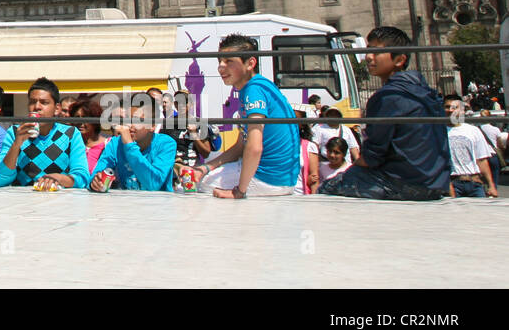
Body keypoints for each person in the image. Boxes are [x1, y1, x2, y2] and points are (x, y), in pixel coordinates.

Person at [318, 27, 449, 201]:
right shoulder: (425, 92)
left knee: (328, 187)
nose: (369, 57)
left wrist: (354, 167)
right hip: (435, 183)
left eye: (376, 51)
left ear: (399, 59)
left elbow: (372, 156)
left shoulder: (389, 97)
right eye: (369, 50)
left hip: (404, 184)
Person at [193, 34, 299, 198]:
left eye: (229, 61)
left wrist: (239, 191)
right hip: (280, 179)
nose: (221, 67)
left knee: (197, 184)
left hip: (268, 180)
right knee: (201, 173)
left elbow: (255, 147)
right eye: (219, 61)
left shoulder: (254, 90)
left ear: (250, 63)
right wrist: (206, 167)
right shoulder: (257, 86)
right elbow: (240, 146)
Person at [0, 78, 91, 190]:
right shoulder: (15, 132)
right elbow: (0, 179)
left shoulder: (71, 134)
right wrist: (16, 145)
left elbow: (82, 177)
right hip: (22, 203)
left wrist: (58, 179)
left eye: (44, 102)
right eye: (32, 102)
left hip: (61, 202)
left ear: (56, 108)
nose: (37, 107)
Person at [89, 100, 176, 191]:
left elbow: (153, 184)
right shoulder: (115, 143)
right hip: (126, 203)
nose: (130, 125)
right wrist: (95, 183)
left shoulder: (166, 144)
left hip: (159, 203)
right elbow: (94, 176)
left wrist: (129, 145)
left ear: (152, 126)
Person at [444, 95, 498, 198]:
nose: (450, 110)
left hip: (475, 182)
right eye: (447, 107)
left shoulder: (473, 131)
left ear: (462, 110)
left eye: (455, 107)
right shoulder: (439, 133)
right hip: (453, 184)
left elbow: (481, 160)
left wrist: (491, 186)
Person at [74, 96, 109, 175]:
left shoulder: (109, 144)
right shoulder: (70, 144)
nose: (80, 122)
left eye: (85, 117)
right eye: (77, 117)